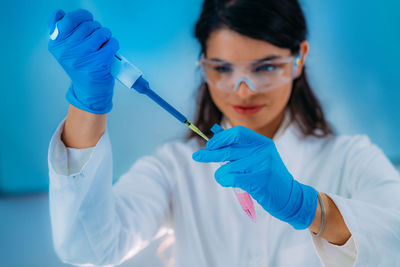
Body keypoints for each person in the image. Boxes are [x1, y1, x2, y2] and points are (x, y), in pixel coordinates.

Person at [47, 1, 400, 266]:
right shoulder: (175, 168)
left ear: (299, 58)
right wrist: (87, 103)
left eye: (265, 67)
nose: (243, 91)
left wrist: (306, 206)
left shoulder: (351, 158)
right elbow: (87, 246)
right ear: (204, 66)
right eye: (222, 68)